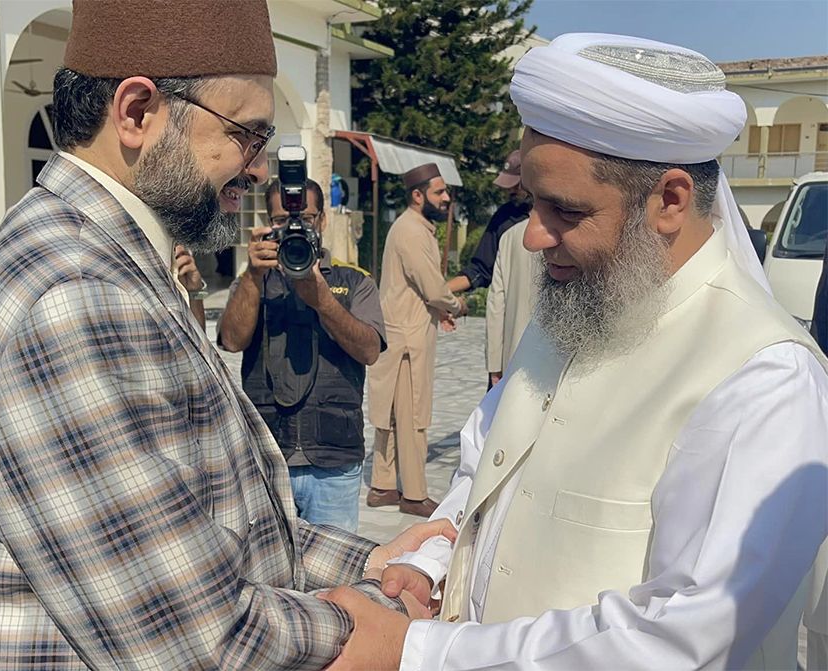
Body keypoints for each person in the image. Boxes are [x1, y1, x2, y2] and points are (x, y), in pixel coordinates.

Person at [0, 2, 452, 668]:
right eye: (246, 135)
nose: (258, 170)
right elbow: (194, 637)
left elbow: (204, 524)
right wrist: (369, 616)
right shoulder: (74, 297)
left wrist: (374, 556)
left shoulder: (107, 260)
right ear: (138, 112)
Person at [321, 33, 828, 670]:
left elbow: (686, 632)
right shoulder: (582, 303)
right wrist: (429, 563)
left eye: (565, 210)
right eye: (532, 202)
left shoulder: (764, 379)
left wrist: (420, 652)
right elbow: (487, 472)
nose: (533, 235)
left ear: (669, 201)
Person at [218, 179, 386, 532]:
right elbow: (231, 341)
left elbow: (370, 350)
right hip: (267, 459)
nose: (295, 227)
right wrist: (252, 276)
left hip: (333, 459)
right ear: (267, 223)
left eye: (306, 218)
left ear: (322, 221)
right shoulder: (253, 279)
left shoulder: (353, 280)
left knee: (334, 581)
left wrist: (321, 298)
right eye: (281, 220)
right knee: (271, 578)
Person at [367, 163, 468, 518]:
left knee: (393, 416)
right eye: (439, 192)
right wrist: (455, 305)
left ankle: (382, 486)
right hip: (408, 338)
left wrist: (439, 310)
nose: (445, 198)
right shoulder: (411, 230)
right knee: (412, 416)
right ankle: (413, 493)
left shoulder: (409, 227)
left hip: (399, 333)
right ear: (417, 195)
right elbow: (431, 284)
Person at [447, 150, 533, 295]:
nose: (510, 191)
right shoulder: (503, 218)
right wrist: (440, 292)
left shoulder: (555, 215)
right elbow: (481, 269)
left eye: (516, 185)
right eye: (507, 186)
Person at [484, 218, 541, 387]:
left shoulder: (510, 236)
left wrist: (495, 365)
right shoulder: (574, 232)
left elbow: (496, 305)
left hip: (514, 359)